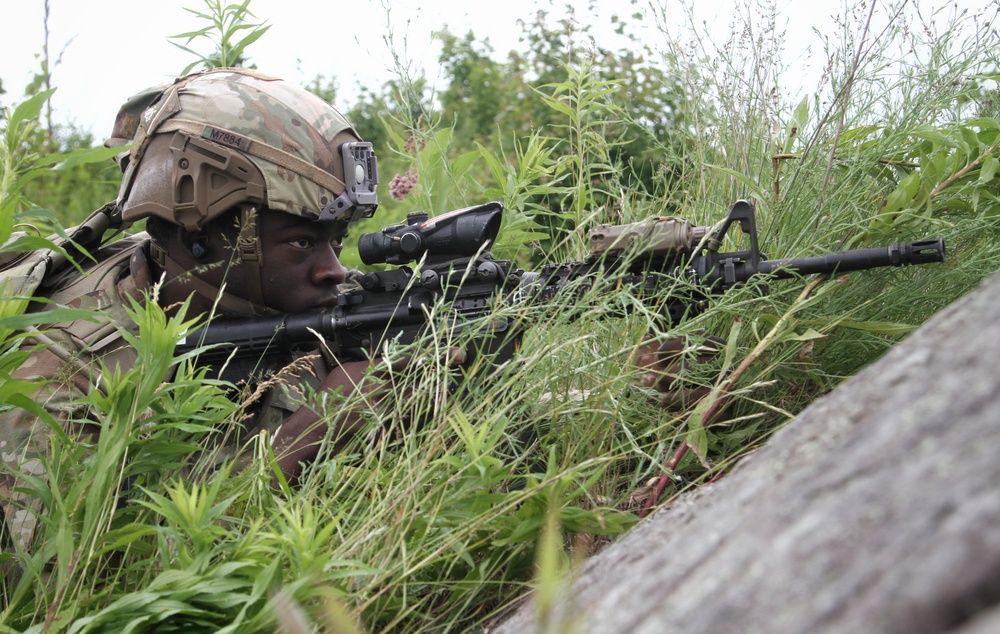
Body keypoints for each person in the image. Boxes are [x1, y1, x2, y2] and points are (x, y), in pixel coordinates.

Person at [0, 68, 386, 566]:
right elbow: (82, 586)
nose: (334, 272)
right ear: (196, 237)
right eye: (303, 242)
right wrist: (310, 434)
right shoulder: (59, 368)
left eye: (338, 241)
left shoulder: (301, 302)